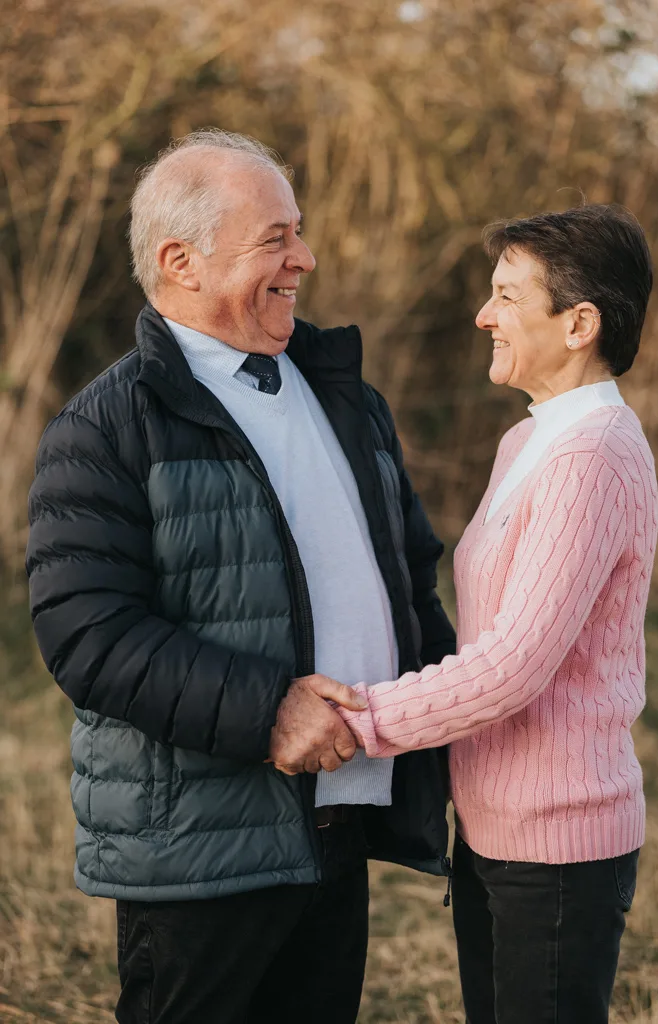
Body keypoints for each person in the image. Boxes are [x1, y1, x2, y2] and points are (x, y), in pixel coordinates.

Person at [26, 129, 456, 1024]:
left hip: (335, 826)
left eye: (296, 232)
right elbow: (88, 634)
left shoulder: (343, 395)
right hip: (198, 851)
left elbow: (412, 580)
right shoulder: (105, 427)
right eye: (275, 238)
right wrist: (271, 710)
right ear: (181, 261)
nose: (304, 257)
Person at [286, 205, 658, 1024]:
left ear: (578, 324)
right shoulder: (527, 443)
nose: (483, 314)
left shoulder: (591, 453)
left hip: (557, 843)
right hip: (492, 824)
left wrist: (359, 720)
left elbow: (513, 664)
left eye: (505, 295)